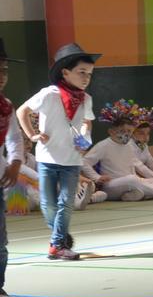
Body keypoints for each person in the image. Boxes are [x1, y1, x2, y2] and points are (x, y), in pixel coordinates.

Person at [16, 42, 101, 260]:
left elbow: (87, 123)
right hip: (47, 158)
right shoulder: (48, 94)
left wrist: (83, 141)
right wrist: (32, 134)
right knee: (48, 203)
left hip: (72, 161)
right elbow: (22, 111)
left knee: (65, 202)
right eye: (81, 72)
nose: (86, 78)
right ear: (65, 72)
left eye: (89, 74)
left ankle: (57, 244)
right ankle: (61, 237)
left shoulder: (86, 100)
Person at [81, 117, 153, 201]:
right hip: (111, 186)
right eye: (123, 131)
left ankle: (132, 196)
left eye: (129, 131)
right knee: (132, 179)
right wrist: (96, 177)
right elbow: (84, 162)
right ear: (111, 131)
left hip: (131, 183)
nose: (126, 134)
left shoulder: (129, 146)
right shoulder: (103, 145)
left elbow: (136, 165)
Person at [0, 38, 24, 297]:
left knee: (0, 240)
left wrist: (16, 161)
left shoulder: (6, 106)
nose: (1, 76)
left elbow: (15, 139)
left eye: (4, 70)